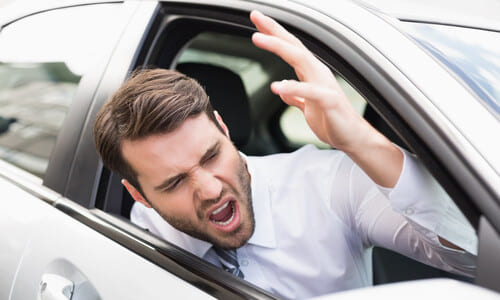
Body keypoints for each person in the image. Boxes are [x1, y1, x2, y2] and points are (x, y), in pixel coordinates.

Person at [93, 10, 476, 299]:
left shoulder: (330, 184)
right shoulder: (143, 223)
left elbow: (474, 256)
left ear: (225, 132)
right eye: (175, 182)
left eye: (211, 156)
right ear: (140, 196)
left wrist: (360, 140)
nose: (209, 189)